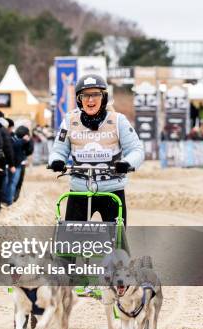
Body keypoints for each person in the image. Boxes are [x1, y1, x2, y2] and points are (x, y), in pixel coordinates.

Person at [48, 74, 144, 224]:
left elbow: (136, 150)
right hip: (80, 191)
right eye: (85, 95)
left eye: (95, 95)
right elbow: (58, 150)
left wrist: (127, 163)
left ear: (104, 97)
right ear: (79, 99)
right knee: (71, 239)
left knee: (115, 239)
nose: (90, 100)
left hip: (112, 191)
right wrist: (56, 161)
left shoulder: (118, 121)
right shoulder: (69, 121)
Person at [3, 125, 33, 205]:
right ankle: (8, 200)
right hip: (13, 164)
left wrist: (28, 141)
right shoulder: (13, 138)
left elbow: (29, 151)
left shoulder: (28, 140)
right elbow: (13, 147)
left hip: (18, 164)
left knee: (15, 183)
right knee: (12, 182)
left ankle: (13, 198)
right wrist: (23, 141)